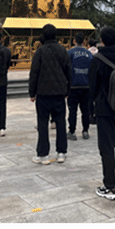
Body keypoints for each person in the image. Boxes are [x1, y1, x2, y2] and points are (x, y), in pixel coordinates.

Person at [91, 27, 115, 199]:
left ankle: (109, 186)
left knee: (106, 148)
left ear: (101, 40)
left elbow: (92, 86)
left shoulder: (98, 59)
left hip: (105, 109)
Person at [28, 24, 72, 164]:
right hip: (59, 92)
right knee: (60, 122)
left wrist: (32, 92)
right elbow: (69, 71)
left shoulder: (40, 51)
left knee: (42, 123)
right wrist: (67, 90)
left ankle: (43, 155)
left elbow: (34, 73)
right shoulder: (63, 50)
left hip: (43, 92)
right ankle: (61, 152)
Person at [66, 32, 93, 141]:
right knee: (85, 110)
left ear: (74, 41)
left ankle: (72, 131)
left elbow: (66, 68)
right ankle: (85, 131)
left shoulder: (70, 53)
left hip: (73, 86)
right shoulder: (89, 54)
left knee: (72, 110)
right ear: (84, 41)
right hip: (86, 85)